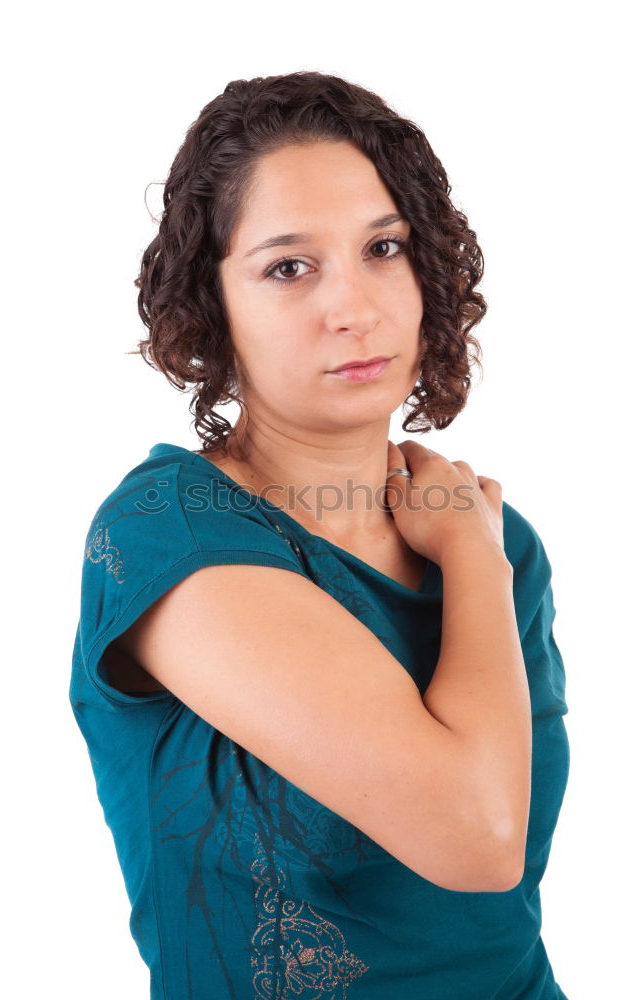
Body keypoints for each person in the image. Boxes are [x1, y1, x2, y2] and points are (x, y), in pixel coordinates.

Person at [69, 71, 570, 999]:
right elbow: (478, 836)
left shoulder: (503, 546)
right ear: (213, 305)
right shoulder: (166, 536)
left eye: (384, 247)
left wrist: (477, 556)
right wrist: (468, 556)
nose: (356, 306)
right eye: (289, 266)